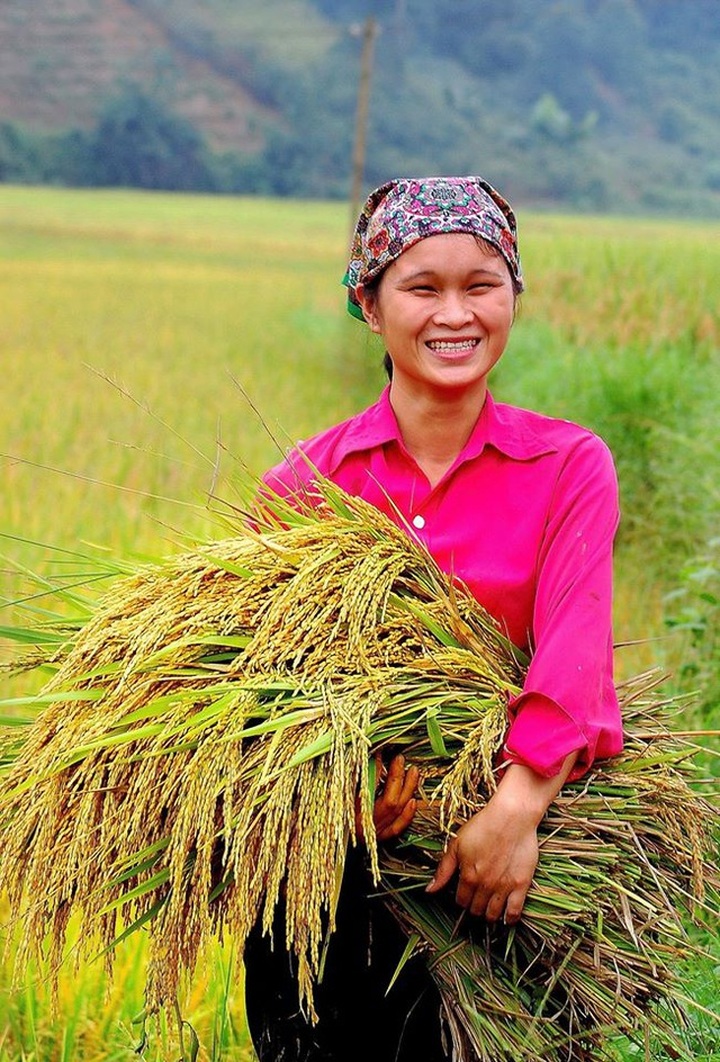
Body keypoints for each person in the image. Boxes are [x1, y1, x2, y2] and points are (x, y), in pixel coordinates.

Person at [243, 175, 623, 1061]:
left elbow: (574, 653)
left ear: (512, 298)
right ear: (369, 307)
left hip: (513, 886)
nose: (456, 314)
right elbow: (264, 694)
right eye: (422, 287)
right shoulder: (305, 486)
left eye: (481, 284)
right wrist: (340, 796)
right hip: (335, 894)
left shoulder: (567, 466)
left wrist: (515, 812)